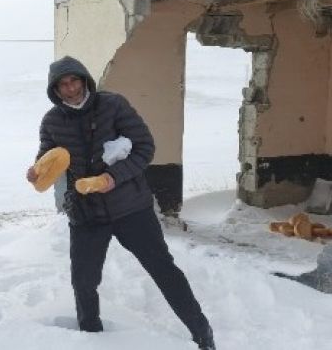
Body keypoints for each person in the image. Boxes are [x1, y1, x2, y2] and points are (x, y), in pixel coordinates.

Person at [27, 56, 215, 350]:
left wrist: (113, 178)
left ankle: (202, 334)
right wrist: (36, 172)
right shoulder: (52, 121)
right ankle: (91, 338)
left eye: (74, 81)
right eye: (63, 85)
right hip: (86, 213)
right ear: (56, 90)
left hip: (131, 207)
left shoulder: (113, 105)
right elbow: (48, 159)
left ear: (84, 80)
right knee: (84, 283)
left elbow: (144, 148)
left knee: (163, 270)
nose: (71, 88)